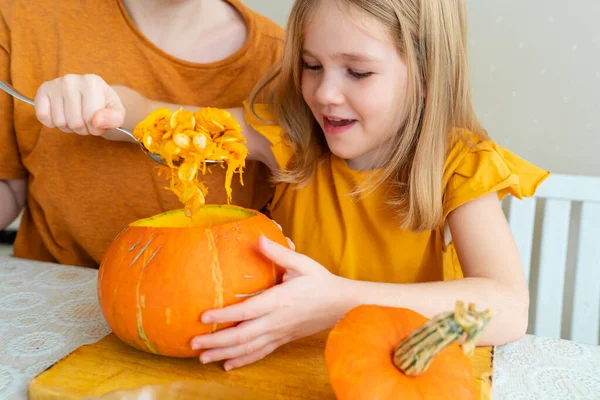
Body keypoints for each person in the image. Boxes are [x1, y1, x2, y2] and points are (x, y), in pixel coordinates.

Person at [33, 0, 549, 371]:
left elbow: (506, 307)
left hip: (403, 373)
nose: (325, 92)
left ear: (427, 73)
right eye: (311, 65)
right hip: (291, 372)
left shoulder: (459, 166)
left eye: (359, 72)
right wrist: (96, 99)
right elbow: (158, 118)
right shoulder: (292, 139)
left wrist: (336, 300)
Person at [0, 0, 284, 267]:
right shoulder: (22, 17)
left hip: (221, 301)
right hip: (49, 297)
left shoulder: (289, 61)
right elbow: (10, 189)